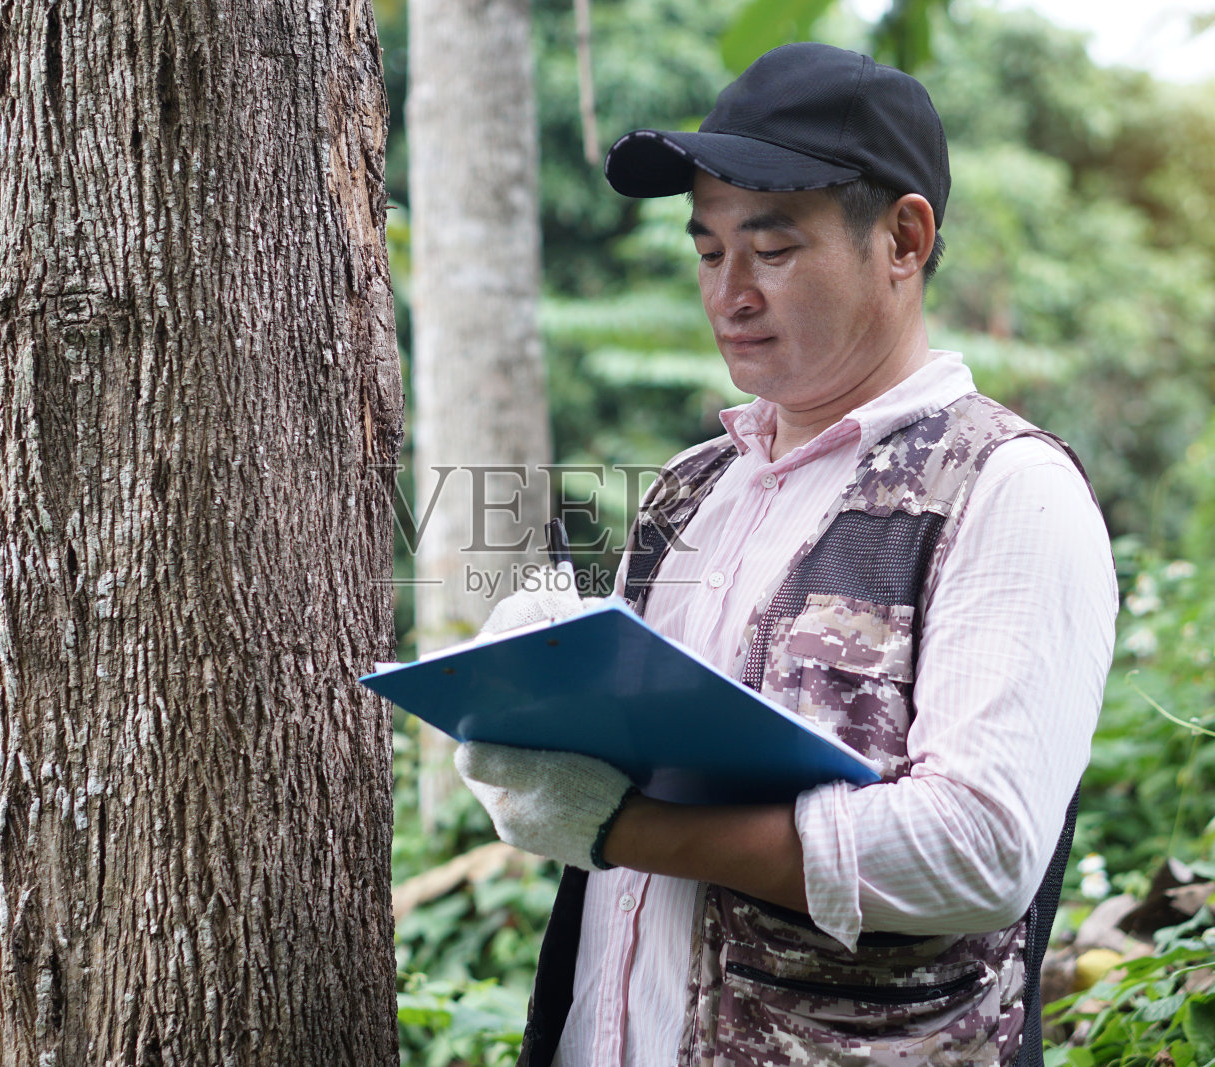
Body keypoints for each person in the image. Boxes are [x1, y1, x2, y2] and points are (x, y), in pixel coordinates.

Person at [453, 42, 1118, 1067]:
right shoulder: (691, 485)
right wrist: (526, 698)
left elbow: (978, 851)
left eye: (772, 249)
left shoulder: (1005, 489)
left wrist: (619, 827)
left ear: (902, 238)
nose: (731, 294)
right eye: (710, 252)